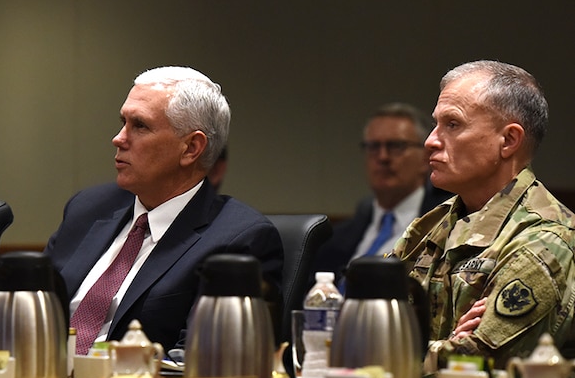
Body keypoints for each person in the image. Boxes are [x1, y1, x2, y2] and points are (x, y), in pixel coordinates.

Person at [45, 66, 283, 353]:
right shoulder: (87, 209)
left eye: (140, 126)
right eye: (123, 122)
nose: (119, 138)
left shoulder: (239, 240)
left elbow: (200, 361)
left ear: (191, 148)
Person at [391, 60, 575, 372]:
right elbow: (359, 324)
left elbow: (478, 363)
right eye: (437, 124)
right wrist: (448, 341)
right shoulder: (432, 224)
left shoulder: (545, 238)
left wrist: (399, 351)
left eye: (452, 125)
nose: (430, 141)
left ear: (508, 141)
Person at [311, 102, 450, 287]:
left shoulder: (444, 227)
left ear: (425, 158)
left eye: (396, 146)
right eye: (374, 147)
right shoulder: (334, 239)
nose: (383, 157)